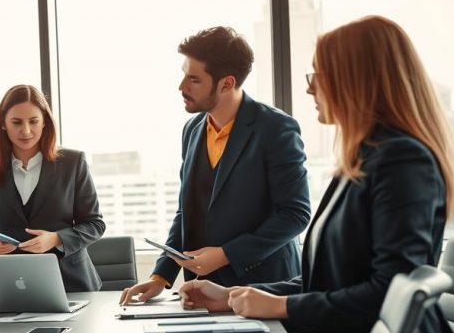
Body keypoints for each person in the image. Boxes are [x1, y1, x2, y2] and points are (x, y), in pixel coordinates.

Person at [179, 16, 454, 333]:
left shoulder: (400, 161)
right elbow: (334, 279)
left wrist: (279, 308)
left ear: (357, 80)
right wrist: (233, 296)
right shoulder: (362, 159)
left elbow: (387, 291)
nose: (309, 87)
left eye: (318, 74)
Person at [119, 27, 311, 304]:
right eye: (184, 74)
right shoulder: (192, 129)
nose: (182, 86)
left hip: (266, 290)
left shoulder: (276, 128)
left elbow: (295, 214)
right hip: (202, 292)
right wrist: (160, 276)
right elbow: (187, 211)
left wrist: (225, 255)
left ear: (226, 83)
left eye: (194, 79)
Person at [0, 84, 105, 292]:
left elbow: (94, 224)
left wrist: (56, 239)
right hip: (12, 285)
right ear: (3, 124)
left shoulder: (73, 163)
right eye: (16, 122)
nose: (26, 130)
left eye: (34, 121)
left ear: (45, 122)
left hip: (72, 284)